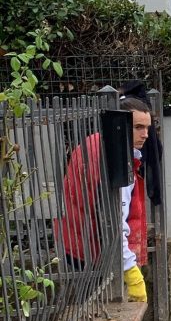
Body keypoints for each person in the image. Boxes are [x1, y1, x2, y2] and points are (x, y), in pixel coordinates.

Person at [57, 97, 152, 303]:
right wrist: (131, 270)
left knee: (85, 306)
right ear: (121, 125)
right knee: (98, 306)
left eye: (147, 128)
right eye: (138, 127)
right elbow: (115, 223)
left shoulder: (94, 142)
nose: (145, 134)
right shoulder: (117, 161)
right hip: (94, 251)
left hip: (74, 240)